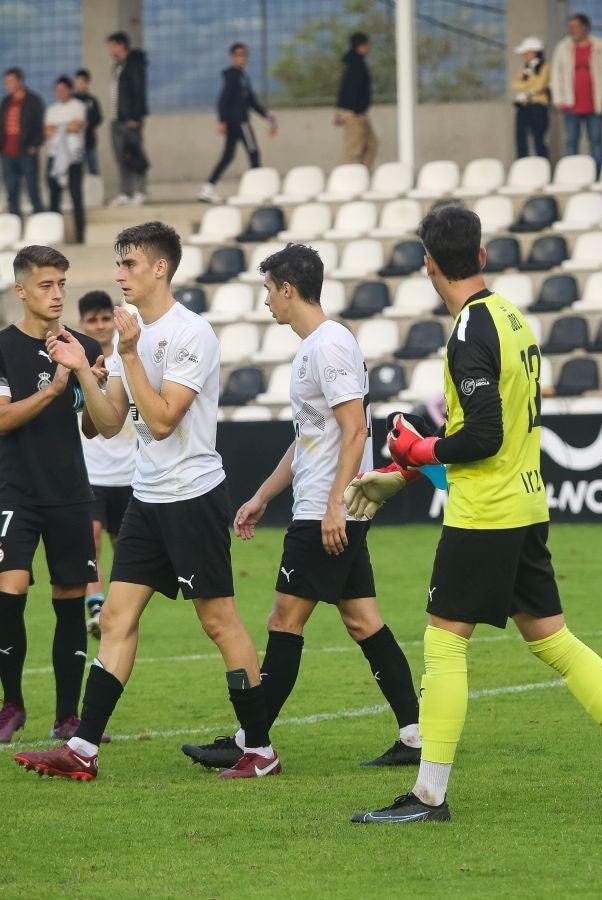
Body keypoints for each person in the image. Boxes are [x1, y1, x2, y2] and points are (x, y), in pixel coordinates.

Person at [348, 203, 602, 823]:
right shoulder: (512, 319)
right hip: (526, 503)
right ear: (479, 255)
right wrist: (420, 461)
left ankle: (428, 797)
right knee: (553, 639)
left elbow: (484, 436)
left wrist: (419, 450)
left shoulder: (471, 330)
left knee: (444, 641)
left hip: (486, 512)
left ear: (428, 265)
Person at [14, 222, 278, 781]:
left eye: (129, 263)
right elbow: (109, 426)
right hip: (148, 498)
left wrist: (128, 356)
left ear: (160, 268)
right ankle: (83, 747)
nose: (119, 274)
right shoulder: (129, 334)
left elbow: (160, 423)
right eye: (118, 263)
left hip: (193, 497)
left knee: (218, 619)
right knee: (114, 615)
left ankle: (260, 749)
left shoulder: (191, 335)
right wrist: (86, 369)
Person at [179, 243, 422, 772]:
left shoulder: (329, 346)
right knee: (363, 621)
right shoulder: (316, 347)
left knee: (284, 620)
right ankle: (415, 734)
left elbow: (355, 430)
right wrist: (263, 496)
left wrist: (335, 505)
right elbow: (309, 439)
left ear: (288, 289)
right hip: (327, 507)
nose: (266, 301)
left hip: (323, 513)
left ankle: (253, 744)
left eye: (269, 290)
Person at [0, 246, 106, 745]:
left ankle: (67, 716)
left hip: (69, 493)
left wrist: (89, 381)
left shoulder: (82, 344)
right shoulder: (2, 348)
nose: (58, 293)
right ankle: (12, 705)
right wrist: (55, 386)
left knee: (69, 601)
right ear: (21, 290)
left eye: (62, 283)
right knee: (9, 592)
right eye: (46, 285)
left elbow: (93, 428)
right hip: (14, 492)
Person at [75, 291, 134, 638]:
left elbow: (139, 409)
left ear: (113, 321)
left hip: (128, 471)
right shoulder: (75, 361)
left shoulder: (128, 359)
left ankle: (116, 607)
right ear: (82, 323)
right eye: (92, 320)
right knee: (92, 539)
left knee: (123, 544)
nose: (99, 325)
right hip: (91, 472)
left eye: (104, 319)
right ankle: (96, 608)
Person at [199, 43, 277, 204]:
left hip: (236, 122)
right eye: (239, 55)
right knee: (253, 152)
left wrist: (266, 114)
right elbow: (223, 100)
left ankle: (207, 188)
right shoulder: (233, 76)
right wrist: (222, 120)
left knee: (228, 156)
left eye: (244, 55)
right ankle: (258, 189)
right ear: (233, 57)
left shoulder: (243, 77)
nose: (242, 58)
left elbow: (251, 100)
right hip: (240, 122)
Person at [550, 14, 602, 169]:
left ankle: (598, 173)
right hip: (571, 104)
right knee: (571, 141)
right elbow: (556, 74)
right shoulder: (563, 47)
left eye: (575, 27)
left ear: (585, 27)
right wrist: (558, 99)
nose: (571, 31)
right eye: (569, 28)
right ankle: (572, 173)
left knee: (596, 141)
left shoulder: (599, 46)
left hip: (594, 102)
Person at [44, 76, 87, 244]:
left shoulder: (78, 106)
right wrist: (65, 126)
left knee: (76, 196)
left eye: (63, 90)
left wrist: (58, 127)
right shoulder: (51, 109)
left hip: (73, 158)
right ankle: (55, 237)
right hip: (54, 156)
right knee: (54, 198)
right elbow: (47, 130)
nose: (59, 93)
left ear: (69, 89)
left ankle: (80, 236)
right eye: (57, 90)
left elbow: (76, 127)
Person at [107, 32, 148, 206]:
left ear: (121, 45)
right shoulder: (117, 67)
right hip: (117, 117)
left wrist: (135, 117)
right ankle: (125, 192)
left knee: (135, 154)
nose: (110, 50)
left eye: (112, 45)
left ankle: (140, 191)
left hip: (130, 119)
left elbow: (139, 92)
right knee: (122, 156)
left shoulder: (134, 65)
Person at [1, 68, 45, 217]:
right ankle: (14, 222)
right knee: (12, 190)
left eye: (11, 81)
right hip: (7, 153)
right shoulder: (6, 102)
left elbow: (40, 126)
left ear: (20, 81)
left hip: (26, 152)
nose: (7, 85)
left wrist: (35, 145)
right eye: (6, 82)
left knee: (32, 189)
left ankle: (40, 220)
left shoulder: (33, 100)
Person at [336, 32, 377, 170]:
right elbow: (352, 89)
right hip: (354, 112)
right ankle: (348, 181)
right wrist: (358, 110)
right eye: (367, 45)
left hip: (357, 111)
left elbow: (343, 88)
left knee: (371, 144)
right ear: (360, 46)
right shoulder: (355, 64)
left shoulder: (355, 63)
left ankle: (363, 176)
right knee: (353, 150)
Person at [511, 37, 551, 160]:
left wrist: (527, 90)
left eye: (526, 52)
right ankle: (522, 162)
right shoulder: (525, 68)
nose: (524, 55)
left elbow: (540, 85)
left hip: (539, 105)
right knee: (521, 138)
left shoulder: (545, 66)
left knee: (538, 138)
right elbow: (515, 84)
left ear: (534, 52)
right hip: (523, 106)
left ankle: (542, 163)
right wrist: (529, 87)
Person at [73, 70, 103, 177]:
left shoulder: (92, 100)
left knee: (93, 169)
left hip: (89, 141)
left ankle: (96, 192)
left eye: (81, 82)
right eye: (77, 82)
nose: (78, 85)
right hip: (75, 142)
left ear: (87, 83)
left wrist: (88, 122)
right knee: (76, 170)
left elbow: (99, 117)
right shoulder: (72, 100)